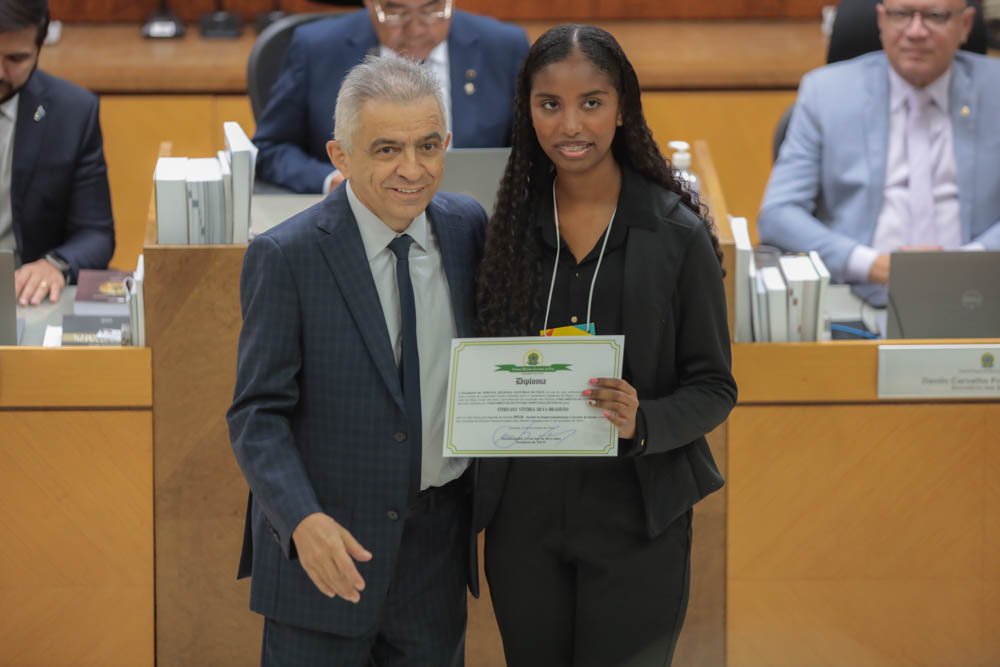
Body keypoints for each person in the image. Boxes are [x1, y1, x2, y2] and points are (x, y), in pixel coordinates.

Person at [475, 25, 738, 667]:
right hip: (523, 521)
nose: (571, 124)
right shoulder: (504, 227)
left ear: (623, 108)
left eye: (592, 102)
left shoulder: (676, 234)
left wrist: (642, 418)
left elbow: (715, 387)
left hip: (636, 515)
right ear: (526, 110)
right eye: (549, 104)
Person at [227, 55, 486, 666]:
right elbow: (256, 414)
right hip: (324, 556)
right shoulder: (285, 257)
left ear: (447, 143)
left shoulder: (468, 229)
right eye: (386, 149)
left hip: (434, 561)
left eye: (428, 146)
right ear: (340, 155)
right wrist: (300, 521)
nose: (412, 170)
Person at [758, 0, 1000, 303]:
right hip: (857, 299)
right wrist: (869, 264)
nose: (915, 31)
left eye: (935, 16)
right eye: (901, 14)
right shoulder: (826, 93)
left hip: (980, 299)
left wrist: (969, 263)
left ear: (965, 25)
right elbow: (778, 214)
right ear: (881, 21)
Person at [253, 0, 530, 194]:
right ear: (370, 4)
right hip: (357, 218)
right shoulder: (317, 48)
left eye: (433, 9)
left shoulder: (504, 48)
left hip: (478, 219)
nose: (416, 29)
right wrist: (331, 180)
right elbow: (270, 147)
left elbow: (529, 152)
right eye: (396, 13)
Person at [0, 0, 114, 306]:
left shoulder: (72, 112)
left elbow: (96, 233)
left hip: (23, 298)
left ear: (39, 48)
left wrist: (55, 264)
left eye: (15, 58)